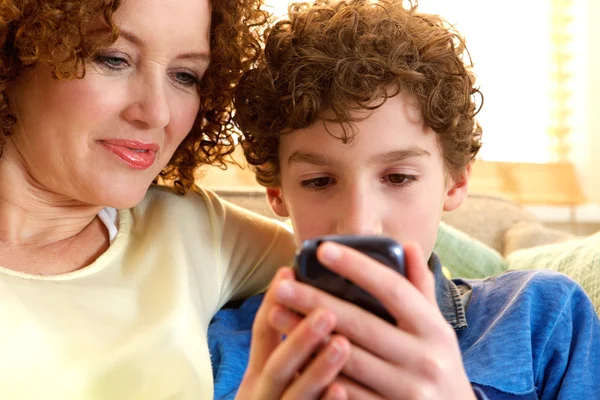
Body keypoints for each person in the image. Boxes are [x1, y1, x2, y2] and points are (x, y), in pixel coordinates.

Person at [208, 0, 600, 399]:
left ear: (456, 179)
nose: (360, 225)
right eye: (320, 181)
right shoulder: (224, 349)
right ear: (277, 193)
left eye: (398, 177)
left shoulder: (541, 316)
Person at [0, 0, 351, 398]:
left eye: (184, 75)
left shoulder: (198, 230)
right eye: (114, 58)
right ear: (13, 55)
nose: (157, 112)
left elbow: (377, 272)